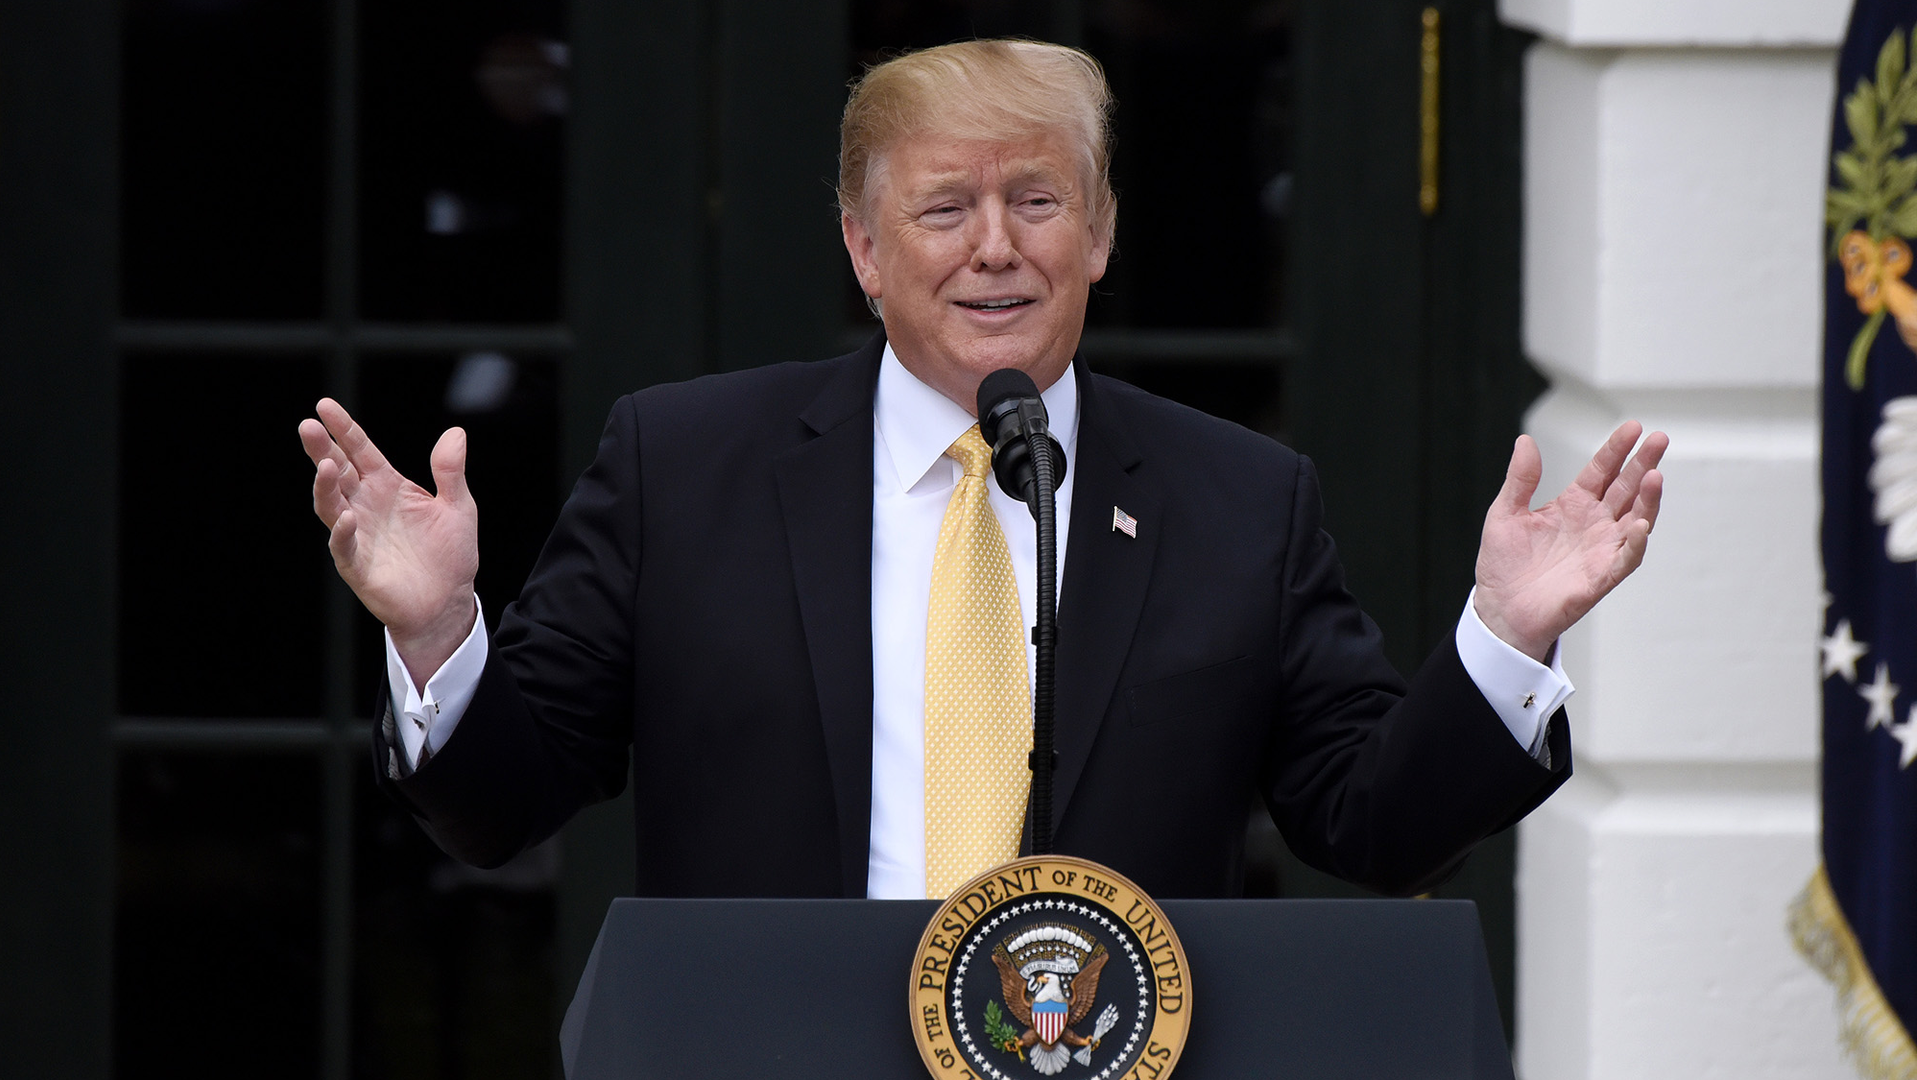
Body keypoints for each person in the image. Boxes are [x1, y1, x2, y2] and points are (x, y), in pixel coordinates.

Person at [298, 40, 1664, 902]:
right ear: (863, 250)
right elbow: (502, 806)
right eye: (944, 208)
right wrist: (435, 631)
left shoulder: (1237, 501)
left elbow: (1373, 824)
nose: (995, 248)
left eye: (1038, 200)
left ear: (1103, 233)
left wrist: (1506, 636)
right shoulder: (684, 465)